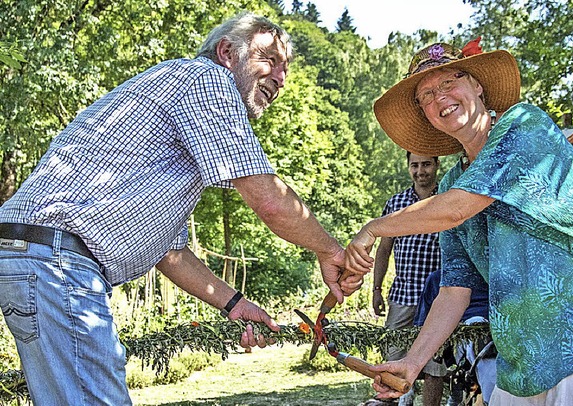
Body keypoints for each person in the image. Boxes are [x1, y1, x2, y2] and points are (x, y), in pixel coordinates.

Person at [0, 12, 359, 405]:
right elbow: (268, 199)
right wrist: (330, 250)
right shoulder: (206, 80)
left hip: (37, 256)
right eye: (269, 60)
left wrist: (235, 304)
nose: (280, 78)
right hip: (57, 260)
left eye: (285, 68)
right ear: (227, 52)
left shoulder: (175, 125)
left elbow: (169, 253)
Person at [345, 39, 573, 405]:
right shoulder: (451, 184)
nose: (440, 98)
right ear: (425, 114)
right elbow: (455, 287)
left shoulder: (524, 125)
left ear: (478, 86)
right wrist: (411, 362)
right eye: (426, 95)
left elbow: (459, 207)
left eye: (449, 82)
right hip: (525, 354)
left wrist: (374, 227)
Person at [366, 151, 443, 406]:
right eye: (415, 165)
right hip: (403, 294)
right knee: (393, 353)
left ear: (436, 165)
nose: (420, 171)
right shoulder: (396, 203)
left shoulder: (448, 200)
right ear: (408, 167)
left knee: (435, 362)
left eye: (426, 164)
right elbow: (384, 248)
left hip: (438, 299)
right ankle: (391, 402)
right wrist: (376, 289)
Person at [414, 269, 496, 406]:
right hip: (464, 335)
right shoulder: (439, 278)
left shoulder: (500, 273)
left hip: (500, 331)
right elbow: (422, 325)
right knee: (481, 346)